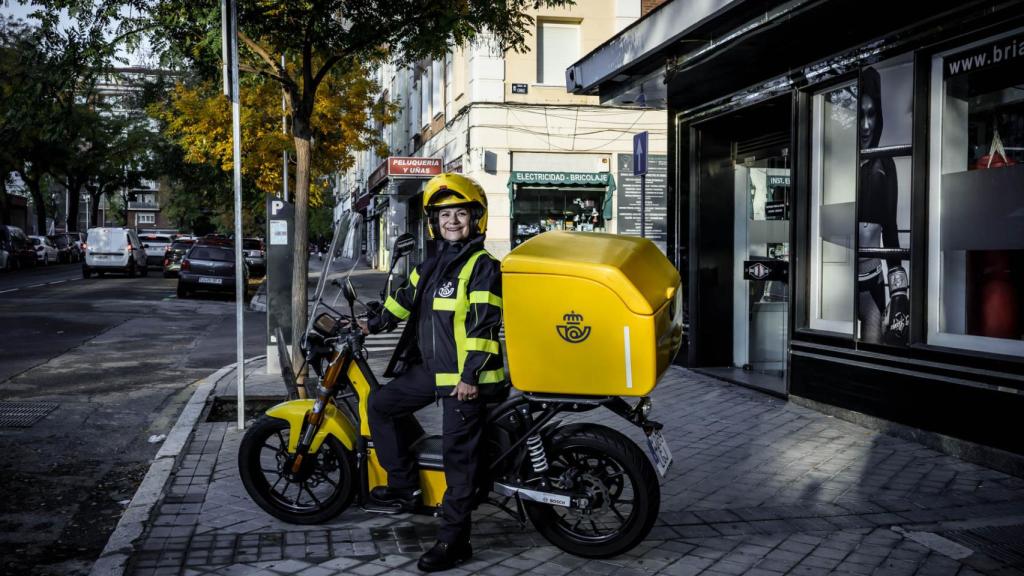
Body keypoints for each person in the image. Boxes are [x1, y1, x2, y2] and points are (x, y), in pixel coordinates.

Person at [362, 173, 505, 572]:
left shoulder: (482, 267)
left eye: (460, 213)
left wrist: (470, 377)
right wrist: (368, 325)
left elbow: (483, 326)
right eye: (444, 215)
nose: (452, 221)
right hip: (435, 371)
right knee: (382, 404)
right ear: (434, 223)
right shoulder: (432, 264)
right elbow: (403, 302)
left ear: (476, 218)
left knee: (458, 461)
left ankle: (454, 541)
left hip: (465, 380)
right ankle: (405, 487)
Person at [857, 66, 909, 345]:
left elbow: (890, 229)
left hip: (872, 282)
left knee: (872, 354)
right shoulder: (839, 165)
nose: (866, 125)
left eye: (871, 114)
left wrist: (899, 292)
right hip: (834, 281)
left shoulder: (885, 162)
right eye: (860, 115)